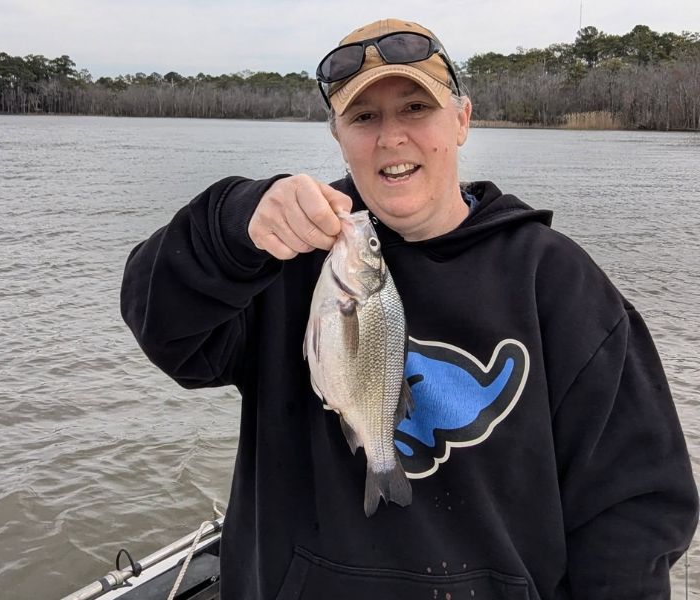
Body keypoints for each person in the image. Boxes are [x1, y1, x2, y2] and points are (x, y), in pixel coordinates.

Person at [121, 18, 698, 600]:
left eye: (415, 109)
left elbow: (634, 504)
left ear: (463, 119)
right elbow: (165, 332)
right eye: (364, 117)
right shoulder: (286, 257)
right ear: (338, 135)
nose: (391, 137)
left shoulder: (558, 281)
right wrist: (232, 224)